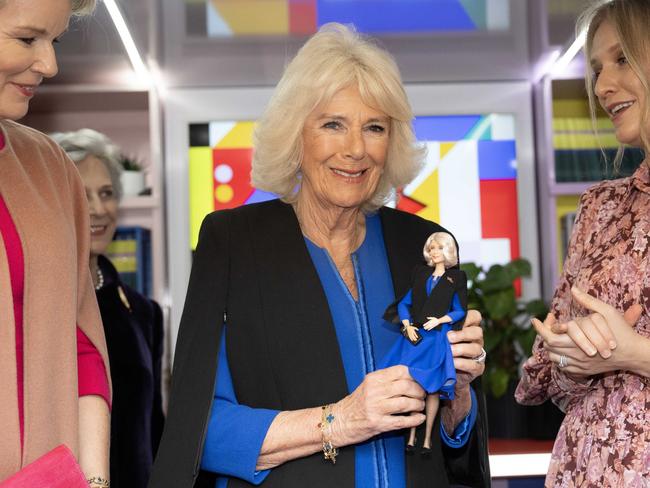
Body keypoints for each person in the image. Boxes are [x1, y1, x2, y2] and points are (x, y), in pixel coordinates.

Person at [150, 23, 489, 488]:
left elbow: (455, 445)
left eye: (374, 128)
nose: (355, 149)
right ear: (297, 135)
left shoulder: (425, 245)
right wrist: (342, 420)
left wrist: (460, 392)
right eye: (333, 124)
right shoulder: (233, 242)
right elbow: (201, 431)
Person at [515, 0, 650, 485]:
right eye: (596, 68)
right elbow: (544, 373)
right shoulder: (600, 207)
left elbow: (625, 352)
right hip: (582, 469)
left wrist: (631, 353)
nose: (602, 86)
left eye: (622, 59)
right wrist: (572, 357)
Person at [0, 1, 111, 487]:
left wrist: (95, 481)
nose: (49, 65)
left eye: (55, 41)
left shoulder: (49, 168)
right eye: (27, 39)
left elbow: (83, 346)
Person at [51, 128, 165, 488]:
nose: (99, 209)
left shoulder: (144, 312)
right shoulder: (37, 306)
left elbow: (154, 429)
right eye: (83, 196)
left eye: (107, 194)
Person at [381, 232, 468, 454]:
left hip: (436, 337)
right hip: (416, 337)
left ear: (447, 250)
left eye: (439, 248)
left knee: (432, 388)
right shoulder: (421, 275)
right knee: (414, 384)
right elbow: (404, 304)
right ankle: (411, 436)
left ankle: (427, 438)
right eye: (432, 248)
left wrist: (440, 320)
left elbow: (460, 310)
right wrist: (407, 325)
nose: (435, 252)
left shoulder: (455, 279)